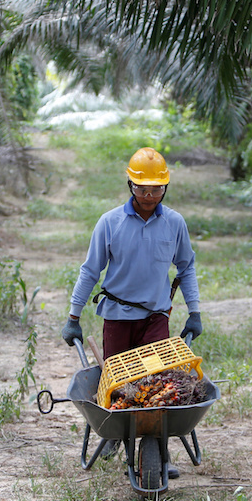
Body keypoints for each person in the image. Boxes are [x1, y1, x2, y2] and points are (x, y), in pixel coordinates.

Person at [61, 147, 202, 477]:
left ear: (165, 188)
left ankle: (159, 455)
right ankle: (118, 437)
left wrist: (194, 311)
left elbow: (187, 267)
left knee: (157, 387)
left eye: (156, 188)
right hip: (118, 317)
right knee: (120, 386)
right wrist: (73, 317)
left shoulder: (174, 223)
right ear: (130, 186)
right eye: (142, 188)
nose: (149, 194)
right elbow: (90, 270)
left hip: (156, 318)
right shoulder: (110, 223)